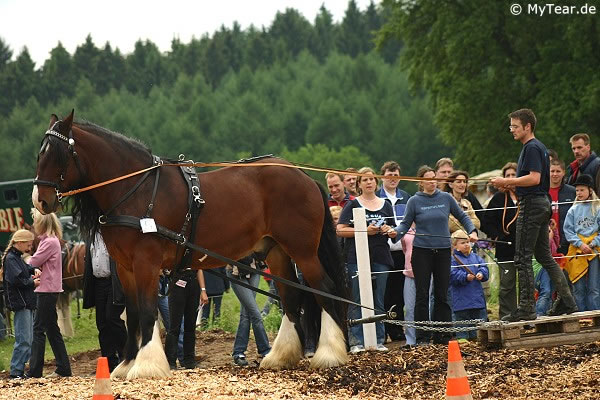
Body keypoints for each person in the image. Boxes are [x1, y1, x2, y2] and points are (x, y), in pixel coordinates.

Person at [491, 108, 577, 321]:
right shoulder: (537, 147)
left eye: (515, 126)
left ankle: (527, 307)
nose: (511, 130)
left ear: (527, 126)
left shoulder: (531, 147)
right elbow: (533, 182)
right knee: (544, 256)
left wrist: (507, 181)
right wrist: (511, 186)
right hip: (541, 203)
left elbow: (534, 178)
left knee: (522, 257)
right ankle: (567, 301)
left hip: (532, 205)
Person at [394, 166, 477, 345]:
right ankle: (422, 337)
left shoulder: (446, 198)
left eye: (434, 178)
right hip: (422, 252)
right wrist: (395, 233)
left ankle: (443, 335)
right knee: (422, 295)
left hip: (443, 251)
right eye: (428, 179)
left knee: (442, 294)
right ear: (421, 182)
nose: (432, 181)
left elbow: (463, 217)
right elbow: (405, 224)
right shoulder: (414, 201)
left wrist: (472, 231)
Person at [337, 167, 397, 352]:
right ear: (359, 184)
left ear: (376, 182)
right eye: (364, 180)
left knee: (379, 298)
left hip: (381, 256)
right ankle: (356, 341)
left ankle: (378, 339)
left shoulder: (386, 205)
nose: (369, 182)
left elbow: (394, 229)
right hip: (356, 257)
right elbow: (340, 229)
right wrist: (363, 230)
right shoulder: (352, 205)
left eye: (371, 179)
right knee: (357, 298)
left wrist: (390, 231)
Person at [27, 210, 72, 378]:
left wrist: (26, 260)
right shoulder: (51, 241)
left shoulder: (49, 242)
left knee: (38, 329)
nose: (34, 224)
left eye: (35, 220)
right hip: (50, 289)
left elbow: (34, 261)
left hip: (46, 290)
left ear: (42, 223)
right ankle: (63, 368)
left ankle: (35, 371)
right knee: (52, 329)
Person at [82, 231, 127, 372]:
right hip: (98, 283)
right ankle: (108, 362)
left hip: (113, 282)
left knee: (112, 318)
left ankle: (126, 357)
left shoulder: (113, 234)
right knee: (102, 323)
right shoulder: (91, 236)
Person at [377, 161, 410, 342]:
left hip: (402, 251)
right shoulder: (376, 197)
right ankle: (382, 330)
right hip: (383, 251)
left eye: (396, 175)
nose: (393, 179)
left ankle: (397, 328)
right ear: (382, 176)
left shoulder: (406, 197)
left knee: (399, 293)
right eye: (389, 175)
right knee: (384, 292)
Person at [481, 162, 518, 318]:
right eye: (507, 175)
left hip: (526, 246)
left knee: (527, 284)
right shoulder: (498, 198)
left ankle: (526, 315)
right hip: (505, 248)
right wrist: (496, 236)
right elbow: (486, 221)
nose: (510, 178)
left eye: (513, 175)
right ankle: (507, 316)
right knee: (507, 284)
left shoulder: (526, 196)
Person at [2, 229, 40, 379]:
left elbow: (24, 269)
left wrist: (33, 269)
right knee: (23, 339)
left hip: (26, 302)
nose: (30, 248)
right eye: (28, 245)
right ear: (19, 243)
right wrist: (32, 282)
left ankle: (19, 370)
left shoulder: (15, 257)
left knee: (28, 339)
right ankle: (16, 371)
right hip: (21, 303)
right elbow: (17, 280)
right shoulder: (11, 259)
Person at [563, 174, 600, 312]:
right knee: (578, 286)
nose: (579, 193)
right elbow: (568, 231)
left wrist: (593, 243)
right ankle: (582, 315)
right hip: (577, 251)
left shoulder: (598, 208)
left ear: (590, 190)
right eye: (577, 190)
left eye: (582, 190)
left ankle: (595, 314)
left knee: (594, 286)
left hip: (594, 250)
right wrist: (580, 244)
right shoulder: (573, 210)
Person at [227, 254, 271, 366]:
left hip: (254, 269)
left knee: (246, 313)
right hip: (236, 271)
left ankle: (238, 352)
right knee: (255, 314)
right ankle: (265, 350)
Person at [165, 267, 208, 369]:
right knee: (174, 325)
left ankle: (189, 360)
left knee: (191, 325)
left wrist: (203, 290)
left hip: (193, 284)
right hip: (177, 282)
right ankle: (171, 361)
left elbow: (199, 269)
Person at [449, 230, 488, 341]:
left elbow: (484, 267)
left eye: (467, 242)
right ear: (455, 246)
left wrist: (482, 273)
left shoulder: (476, 257)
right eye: (462, 243)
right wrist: (465, 277)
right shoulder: (452, 260)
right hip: (461, 301)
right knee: (462, 325)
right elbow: (452, 274)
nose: (466, 245)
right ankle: (463, 342)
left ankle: (477, 340)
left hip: (477, 300)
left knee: (478, 326)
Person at [549, 159, 576, 254]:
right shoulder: (541, 192)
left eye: (558, 171)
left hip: (567, 241)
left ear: (563, 172)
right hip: (546, 241)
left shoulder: (572, 192)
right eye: (552, 171)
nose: (555, 174)